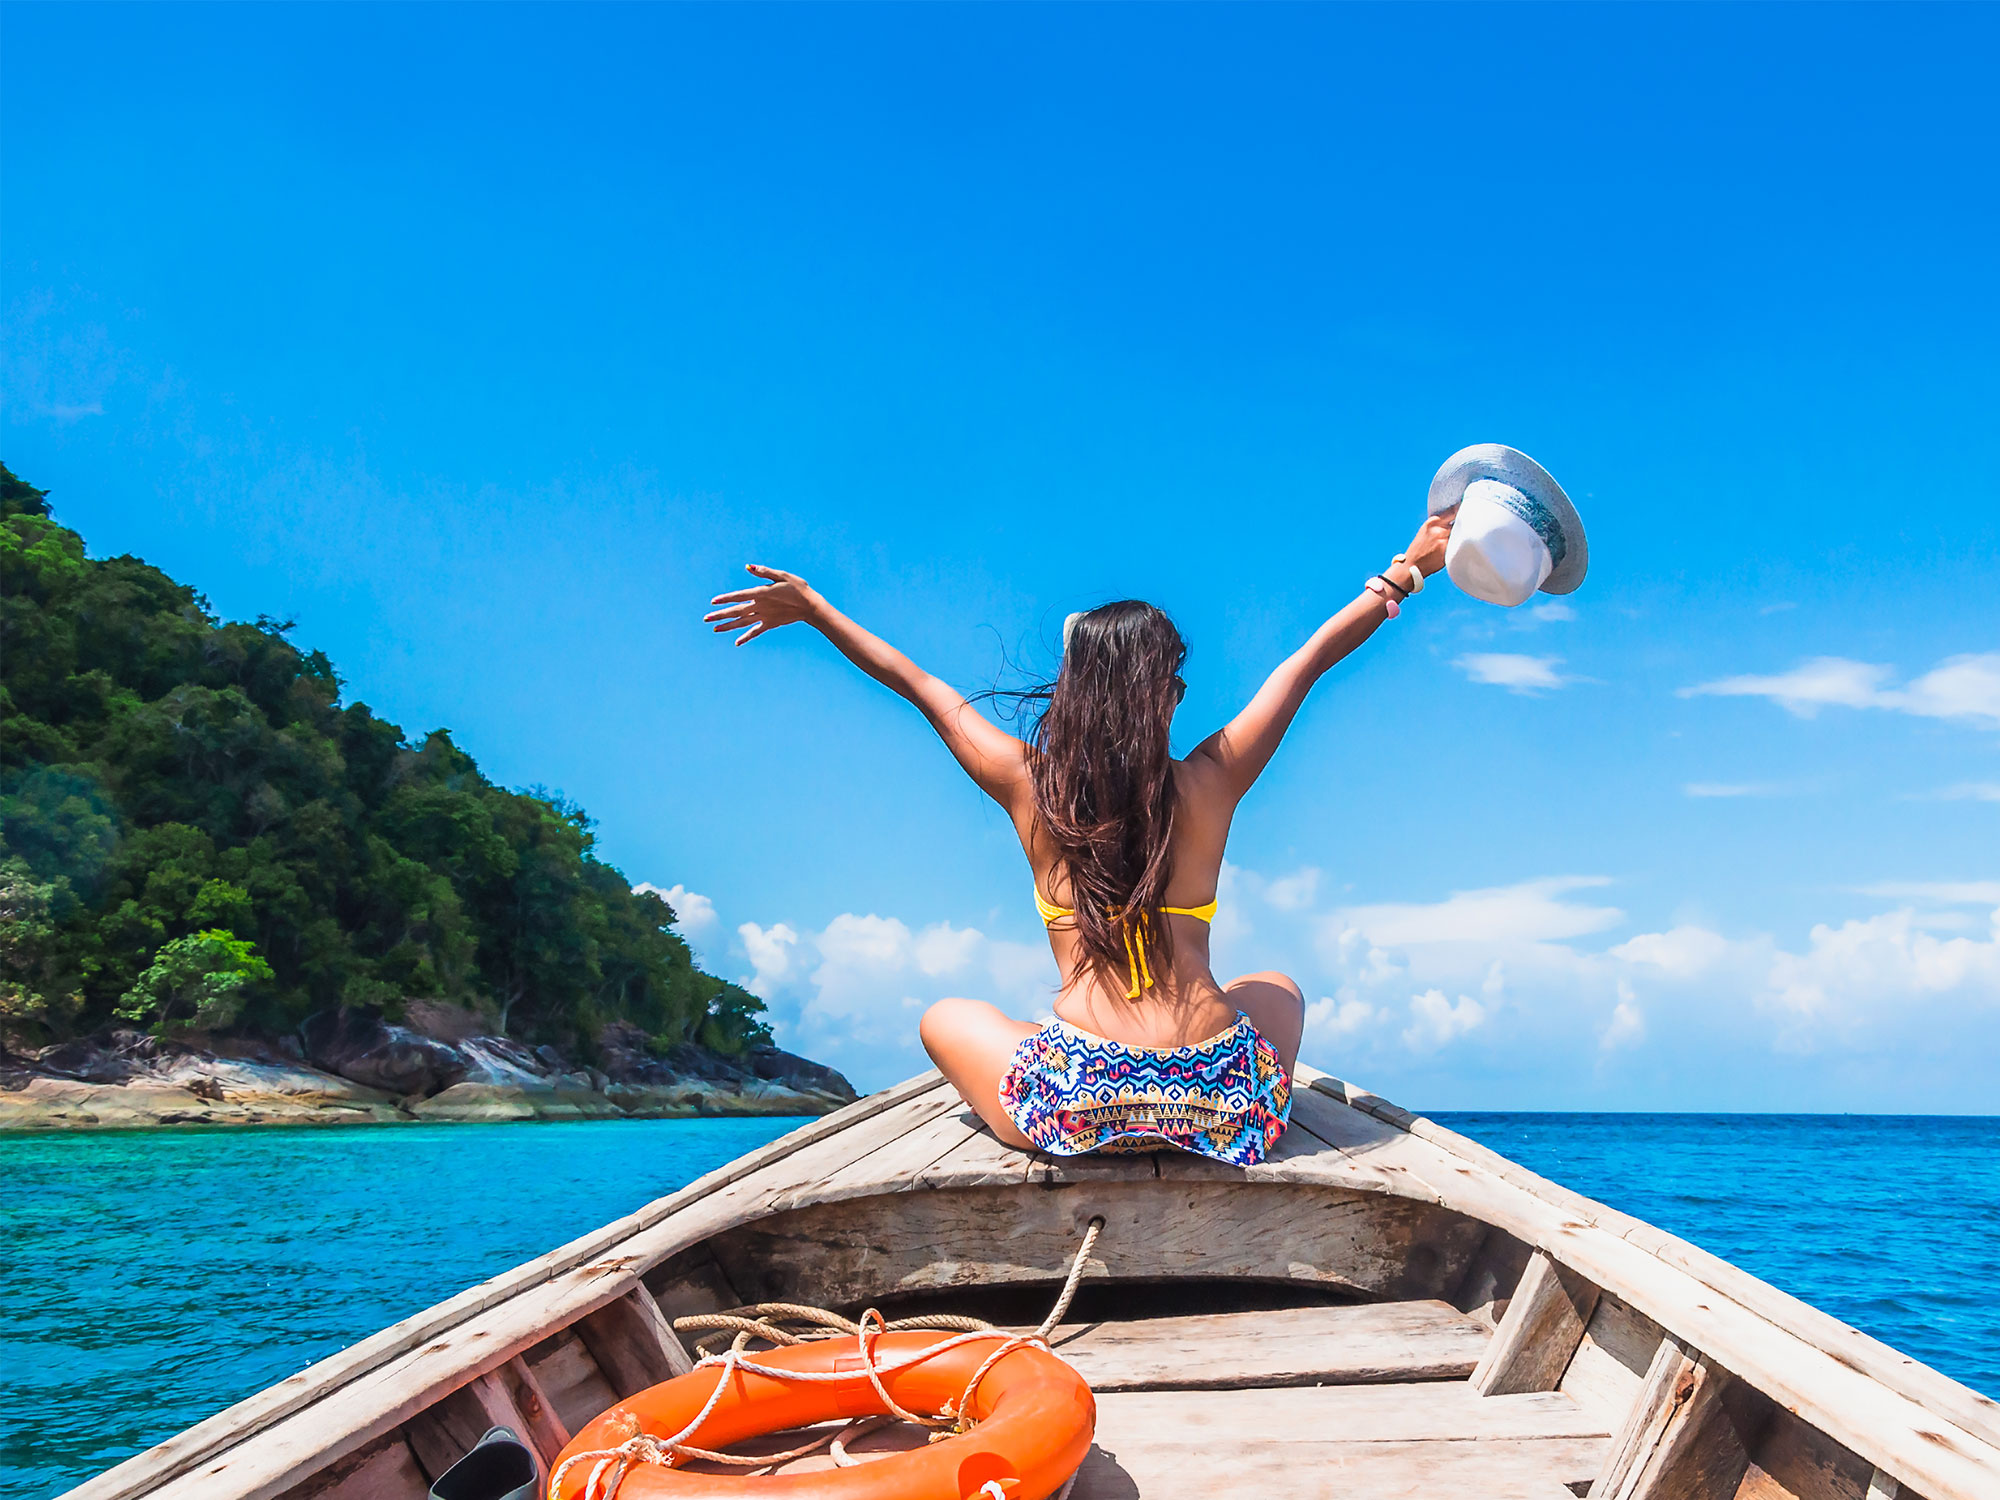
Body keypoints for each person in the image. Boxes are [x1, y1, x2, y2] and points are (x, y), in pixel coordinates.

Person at [704, 509, 1455, 1167]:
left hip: (1075, 1106)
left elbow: (915, 681)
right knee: (1278, 991)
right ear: (1162, 695)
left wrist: (814, 608)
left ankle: (1084, 1047)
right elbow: (1309, 661)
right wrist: (1406, 571)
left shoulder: (1027, 782)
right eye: (1179, 684)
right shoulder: (1209, 781)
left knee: (946, 1018)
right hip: (1222, 1108)